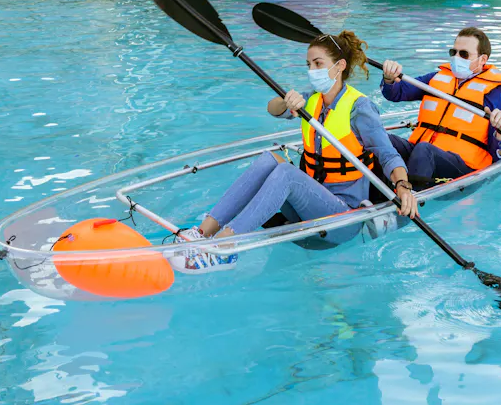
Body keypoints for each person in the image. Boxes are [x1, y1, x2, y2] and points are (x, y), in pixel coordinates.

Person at [174, 30, 418, 273]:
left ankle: (226, 246)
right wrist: (286, 101)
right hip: (310, 208)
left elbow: (388, 154)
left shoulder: (360, 107)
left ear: (340, 66)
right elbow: (273, 109)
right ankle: (202, 233)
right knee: (270, 159)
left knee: (286, 173)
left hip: (344, 219)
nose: (312, 70)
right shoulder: (312, 99)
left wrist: (404, 187)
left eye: (318, 63)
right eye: (308, 64)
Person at [380, 27, 501, 188]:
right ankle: (373, 197)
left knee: (425, 150)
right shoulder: (436, 78)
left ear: (482, 59)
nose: (457, 58)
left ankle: (406, 204)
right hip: (421, 153)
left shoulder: (496, 94)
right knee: (382, 139)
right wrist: (389, 79)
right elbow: (397, 92)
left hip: (463, 165)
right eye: (454, 52)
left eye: (464, 54)